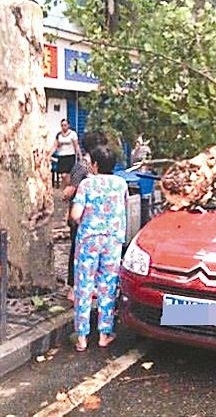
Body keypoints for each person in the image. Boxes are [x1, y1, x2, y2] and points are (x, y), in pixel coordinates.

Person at [70, 145, 128, 352]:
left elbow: (76, 214)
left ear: (95, 164)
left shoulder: (87, 184)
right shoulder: (121, 184)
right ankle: (104, 334)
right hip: (112, 240)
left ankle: (82, 338)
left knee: (84, 286)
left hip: (89, 239)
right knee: (108, 285)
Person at [63, 131, 108, 302]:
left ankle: (90, 286)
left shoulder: (98, 165)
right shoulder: (81, 166)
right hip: (79, 218)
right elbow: (69, 192)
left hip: (95, 219)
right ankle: (73, 289)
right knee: (76, 252)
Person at [51, 119, 82, 187]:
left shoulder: (73, 134)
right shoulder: (59, 135)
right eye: (62, 125)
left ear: (68, 125)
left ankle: (68, 191)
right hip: (61, 156)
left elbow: (76, 146)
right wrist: (49, 155)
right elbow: (55, 146)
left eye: (65, 125)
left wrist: (80, 156)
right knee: (63, 175)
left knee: (68, 175)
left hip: (70, 156)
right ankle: (66, 190)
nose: (63, 127)